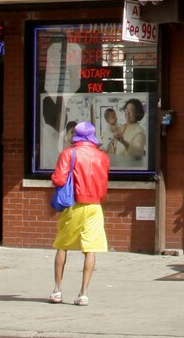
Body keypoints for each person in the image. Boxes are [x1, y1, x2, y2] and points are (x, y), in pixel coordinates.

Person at [49, 118, 110, 307]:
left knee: (62, 245)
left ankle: (57, 290)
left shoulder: (69, 153)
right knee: (90, 249)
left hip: (73, 205)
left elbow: (59, 179)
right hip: (95, 206)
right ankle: (83, 293)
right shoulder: (102, 157)